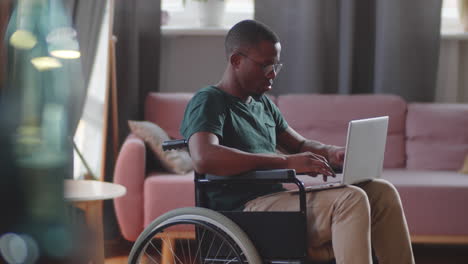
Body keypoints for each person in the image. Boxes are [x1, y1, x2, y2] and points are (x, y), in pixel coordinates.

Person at [180, 19, 414, 264]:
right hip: (244, 210)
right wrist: (285, 162)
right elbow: (204, 156)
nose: (273, 73)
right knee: (351, 200)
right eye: (265, 65)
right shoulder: (209, 100)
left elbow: (299, 145)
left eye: (276, 65)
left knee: (381, 192)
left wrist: (332, 153)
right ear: (237, 61)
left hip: (278, 203)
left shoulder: (262, 104)